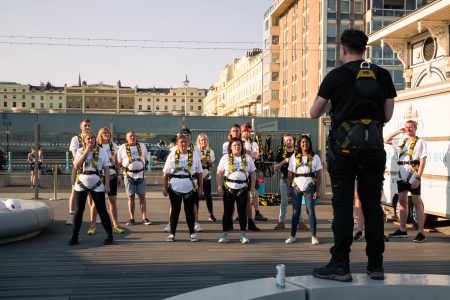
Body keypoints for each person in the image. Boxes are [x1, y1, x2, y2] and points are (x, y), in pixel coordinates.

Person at [310, 29, 396, 281]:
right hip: (373, 150)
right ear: (365, 48)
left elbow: (314, 112)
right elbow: (388, 116)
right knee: (372, 206)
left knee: (343, 206)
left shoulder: (336, 76)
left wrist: (333, 103)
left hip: (343, 151)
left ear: (343, 49)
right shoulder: (382, 74)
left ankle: (340, 264)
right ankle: (375, 266)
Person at [385, 120, 427, 243]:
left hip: (413, 176)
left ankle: (421, 232)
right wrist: (398, 131)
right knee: (402, 202)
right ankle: (402, 230)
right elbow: (385, 140)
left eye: (411, 127)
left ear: (415, 128)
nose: (408, 129)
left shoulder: (420, 142)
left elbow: (423, 161)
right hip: (401, 176)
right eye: (406, 127)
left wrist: (419, 177)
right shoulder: (401, 141)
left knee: (417, 203)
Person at [69, 132, 113, 246]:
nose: (90, 140)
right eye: (88, 138)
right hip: (82, 181)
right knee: (79, 210)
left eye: (92, 138)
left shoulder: (101, 151)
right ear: (84, 140)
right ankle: (75, 236)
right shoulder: (80, 151)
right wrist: (86, 152)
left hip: (96, 181)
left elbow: (107, 169)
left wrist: (107, 184)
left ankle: (109, 236)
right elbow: (76, 166)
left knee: (102, 210)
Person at [162, 134, 203, 242]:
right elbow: (165, 173)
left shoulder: (194, 155)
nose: (184, 144)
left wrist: (200, 187)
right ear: (177, 143)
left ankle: (192, 233)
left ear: (189, 143)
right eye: (181, 142)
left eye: (185, 142)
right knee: (175, 211)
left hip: (190, 188)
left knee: (189, 211)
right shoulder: (172, 155)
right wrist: (165, 187)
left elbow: (199, 173)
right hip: (175, 188)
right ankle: (172, 234)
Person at [216, 137, 257, 244]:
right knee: (227, 212)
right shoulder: (225, 158)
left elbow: (253, 173)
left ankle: (243, 234)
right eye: (234, 145)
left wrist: (252, 187)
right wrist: (220, 186)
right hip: (229, 188)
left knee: (242, 212)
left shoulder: (247, 158)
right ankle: (225, 234)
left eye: (239, 145)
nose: (237, 147)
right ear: (230, 147)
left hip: (242, 188)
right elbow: (219, 173)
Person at [285, 135, 322, 245]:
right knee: (295, 212)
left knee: (310, 211)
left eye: (306, 142)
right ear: (300, 144)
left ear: (309, 144)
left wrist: (317, 190)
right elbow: (290, 173)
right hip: (296, 186)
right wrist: (288, 188)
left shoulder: (315, 157)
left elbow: (319, 174)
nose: (304, 144)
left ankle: (314, 236)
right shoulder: (294, 157)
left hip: (310, 186)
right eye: (302, 142)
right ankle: (292, 236)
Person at [274, 133, 308, 231]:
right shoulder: (281, 153)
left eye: (290, 140)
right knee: (284, 201)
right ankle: (281, 222)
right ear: (284, 142)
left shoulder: (298, 152)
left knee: (297, 202)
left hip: (296, 181)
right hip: (284, 180)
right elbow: (275, 168)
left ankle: (300, 222)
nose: (289, 141)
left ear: (293, 141)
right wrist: (284, 161)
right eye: (287, 140)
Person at [66, 118, 96, 226]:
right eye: (85, 126)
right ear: (81, 127)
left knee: (91, 193)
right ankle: (71, 215)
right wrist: (82, 159)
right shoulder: (76, 139)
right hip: (79, 168)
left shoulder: (92, 137)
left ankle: (93, 216)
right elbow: (75, 155)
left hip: (91, 168)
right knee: (74, 191)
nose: (87, 127)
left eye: (89, 125)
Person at [117, 131, 151, 226]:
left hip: (140, 174)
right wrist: (121, 173)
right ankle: (132, 218)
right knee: (131, 197)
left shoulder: (142, 146)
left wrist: (140, 165)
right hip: (128, 175)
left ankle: (144, 217)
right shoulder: (122, 148)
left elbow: (145, 158)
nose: (133, 137)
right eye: (130, 136)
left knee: (142, 197)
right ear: (127, 138)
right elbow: (119, 162)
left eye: (134, 136)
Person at [97, 127, 125, 234]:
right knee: (97, 203)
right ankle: (93, 224)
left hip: (112, 175)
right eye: (104, 132)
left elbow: (116, 162)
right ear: (100, 134)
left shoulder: (113, 145)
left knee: (112, 201)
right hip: (100, 176)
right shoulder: (97, 145)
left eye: (108, 132)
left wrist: (119, 176)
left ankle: (115, 224)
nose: (107, 134)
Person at [241, 123, 268, 223]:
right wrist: (249, 154)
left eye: (248, 131)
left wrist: (248, 153)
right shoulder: (238, 142)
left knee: (254, 191)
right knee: (241, 193)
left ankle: (257, 213)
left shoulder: (254, 143)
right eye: (245, 131)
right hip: (241, 170)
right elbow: (249, 155)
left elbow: (255, 155)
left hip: (251, 170)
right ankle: (242, 213)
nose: (247, 133)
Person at [196, 133, 217, 222]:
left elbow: (212, 164)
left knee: (208, 196)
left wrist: (206, 162)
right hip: (197, 176)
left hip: (207, 176)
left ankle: (211, 214)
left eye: (205, 140)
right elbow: (196, 163)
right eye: (202, 140)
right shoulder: (196, 151)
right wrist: (203, 162)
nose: (203, 141)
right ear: (199, 141)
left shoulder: (210, 151)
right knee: (196, 196)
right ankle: (195, 215)